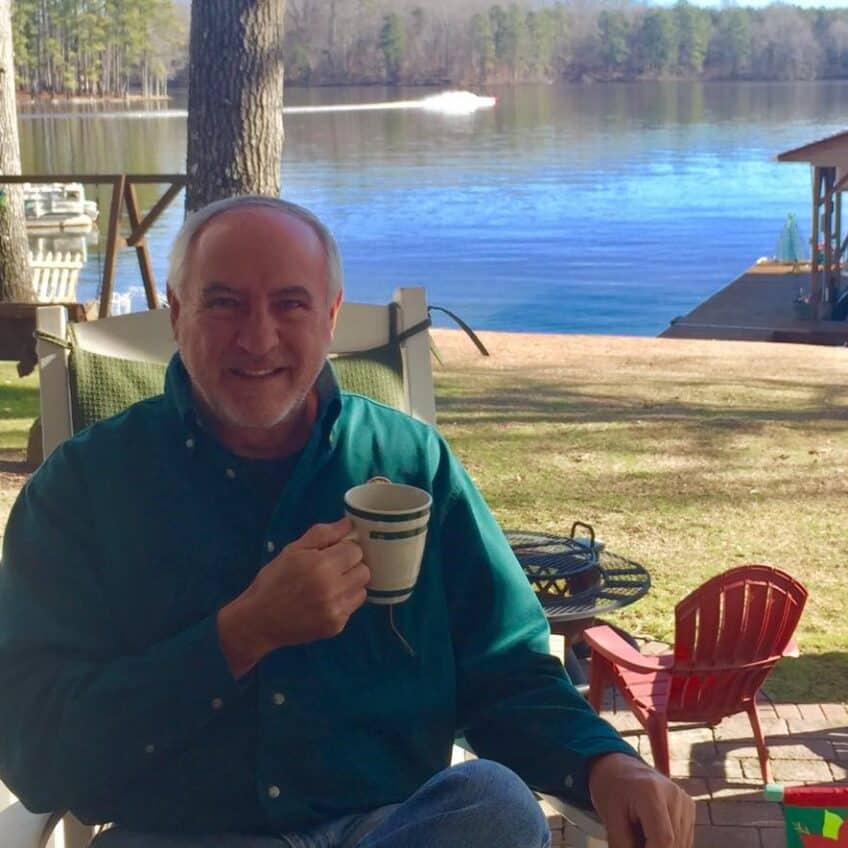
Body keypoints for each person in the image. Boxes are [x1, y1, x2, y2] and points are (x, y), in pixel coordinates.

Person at [0, 196, 695, 848]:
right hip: (188, 830)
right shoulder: (84, 491)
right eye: (224, 303)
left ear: (330, 317)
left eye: (289, 304)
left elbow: (505, 670)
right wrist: (239, 636)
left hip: (392, 826)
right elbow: (34, 749)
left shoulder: (408, 463)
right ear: (177, 311)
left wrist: (606, 764)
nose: (258, 337)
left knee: (493, 803)